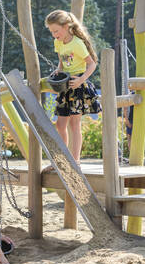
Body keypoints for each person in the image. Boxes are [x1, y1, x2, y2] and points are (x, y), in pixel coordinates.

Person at [43, 10, 102, 172]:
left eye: (56, 31)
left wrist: (80, 80)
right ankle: (61, 159)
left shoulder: (77, 43)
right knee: (60, 125)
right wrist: (58, 70)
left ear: (66, 26)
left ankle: (75, 161)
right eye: (51, 31)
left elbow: (92, 64)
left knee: (75, 124)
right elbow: (62, 61)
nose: (54, 34)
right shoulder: (58, 42)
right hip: (65, 86)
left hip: (77, 86)